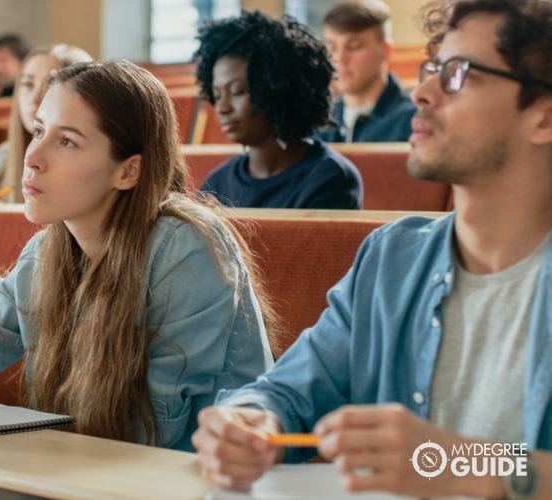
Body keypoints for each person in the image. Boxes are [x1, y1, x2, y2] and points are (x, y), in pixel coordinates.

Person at [192, 0, 552, 497]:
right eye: (431, 70)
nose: (422, 93)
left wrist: (453, 462)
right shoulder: (392, 257)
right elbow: (285, 391)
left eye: (458, 74)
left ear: (544, 117)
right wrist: (248, 423)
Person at [0, 60, 275, 452]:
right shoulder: (47, 251)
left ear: (128, 171)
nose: (31, 156)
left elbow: (153, 439)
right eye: (38, 130)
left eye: (65, 141)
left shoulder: (185, 248)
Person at [194, 11, 362, 209]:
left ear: (278, 90)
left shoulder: (330, 178)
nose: (222, 108)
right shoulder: (217, 185)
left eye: (237, 91)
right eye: (217, 95)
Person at [0, 44, 93, 203]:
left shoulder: (87, 161)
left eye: (49, 86)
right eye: (27, 84)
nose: (33, 100)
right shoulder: (5, 155)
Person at [316, 0, 416, 143]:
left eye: (354, 46)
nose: (340, 59)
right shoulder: (319, 123)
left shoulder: (413, 121)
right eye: (331, 47)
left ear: (385, 51)